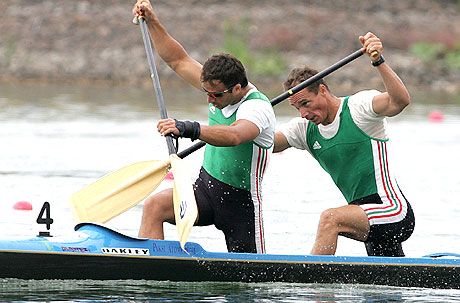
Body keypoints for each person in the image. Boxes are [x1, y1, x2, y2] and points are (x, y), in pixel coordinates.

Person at [133, 0, 276, 253]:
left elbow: (234, 135)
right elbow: (177, 60)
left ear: (238, 89)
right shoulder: (218, 90)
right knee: (155, 206)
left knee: (250, 283)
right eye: (207, 92)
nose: (209, 99)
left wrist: (188, 128)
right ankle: (154, 270)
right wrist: (153, 21)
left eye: (215, 95)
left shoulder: (257, 108)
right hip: (205, 189)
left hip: (241, 205)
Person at [274, 32, 415, 257]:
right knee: (384, 287)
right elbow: (263, 143)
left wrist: (378, 61)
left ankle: (313, 285)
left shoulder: (358, 108)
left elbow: (400, 101)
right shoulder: (304, 129)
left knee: (331, 219)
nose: (303, 113)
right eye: (297, 108)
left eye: (306, 103)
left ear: (323, 90)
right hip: (361, 215)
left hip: (392, 211)